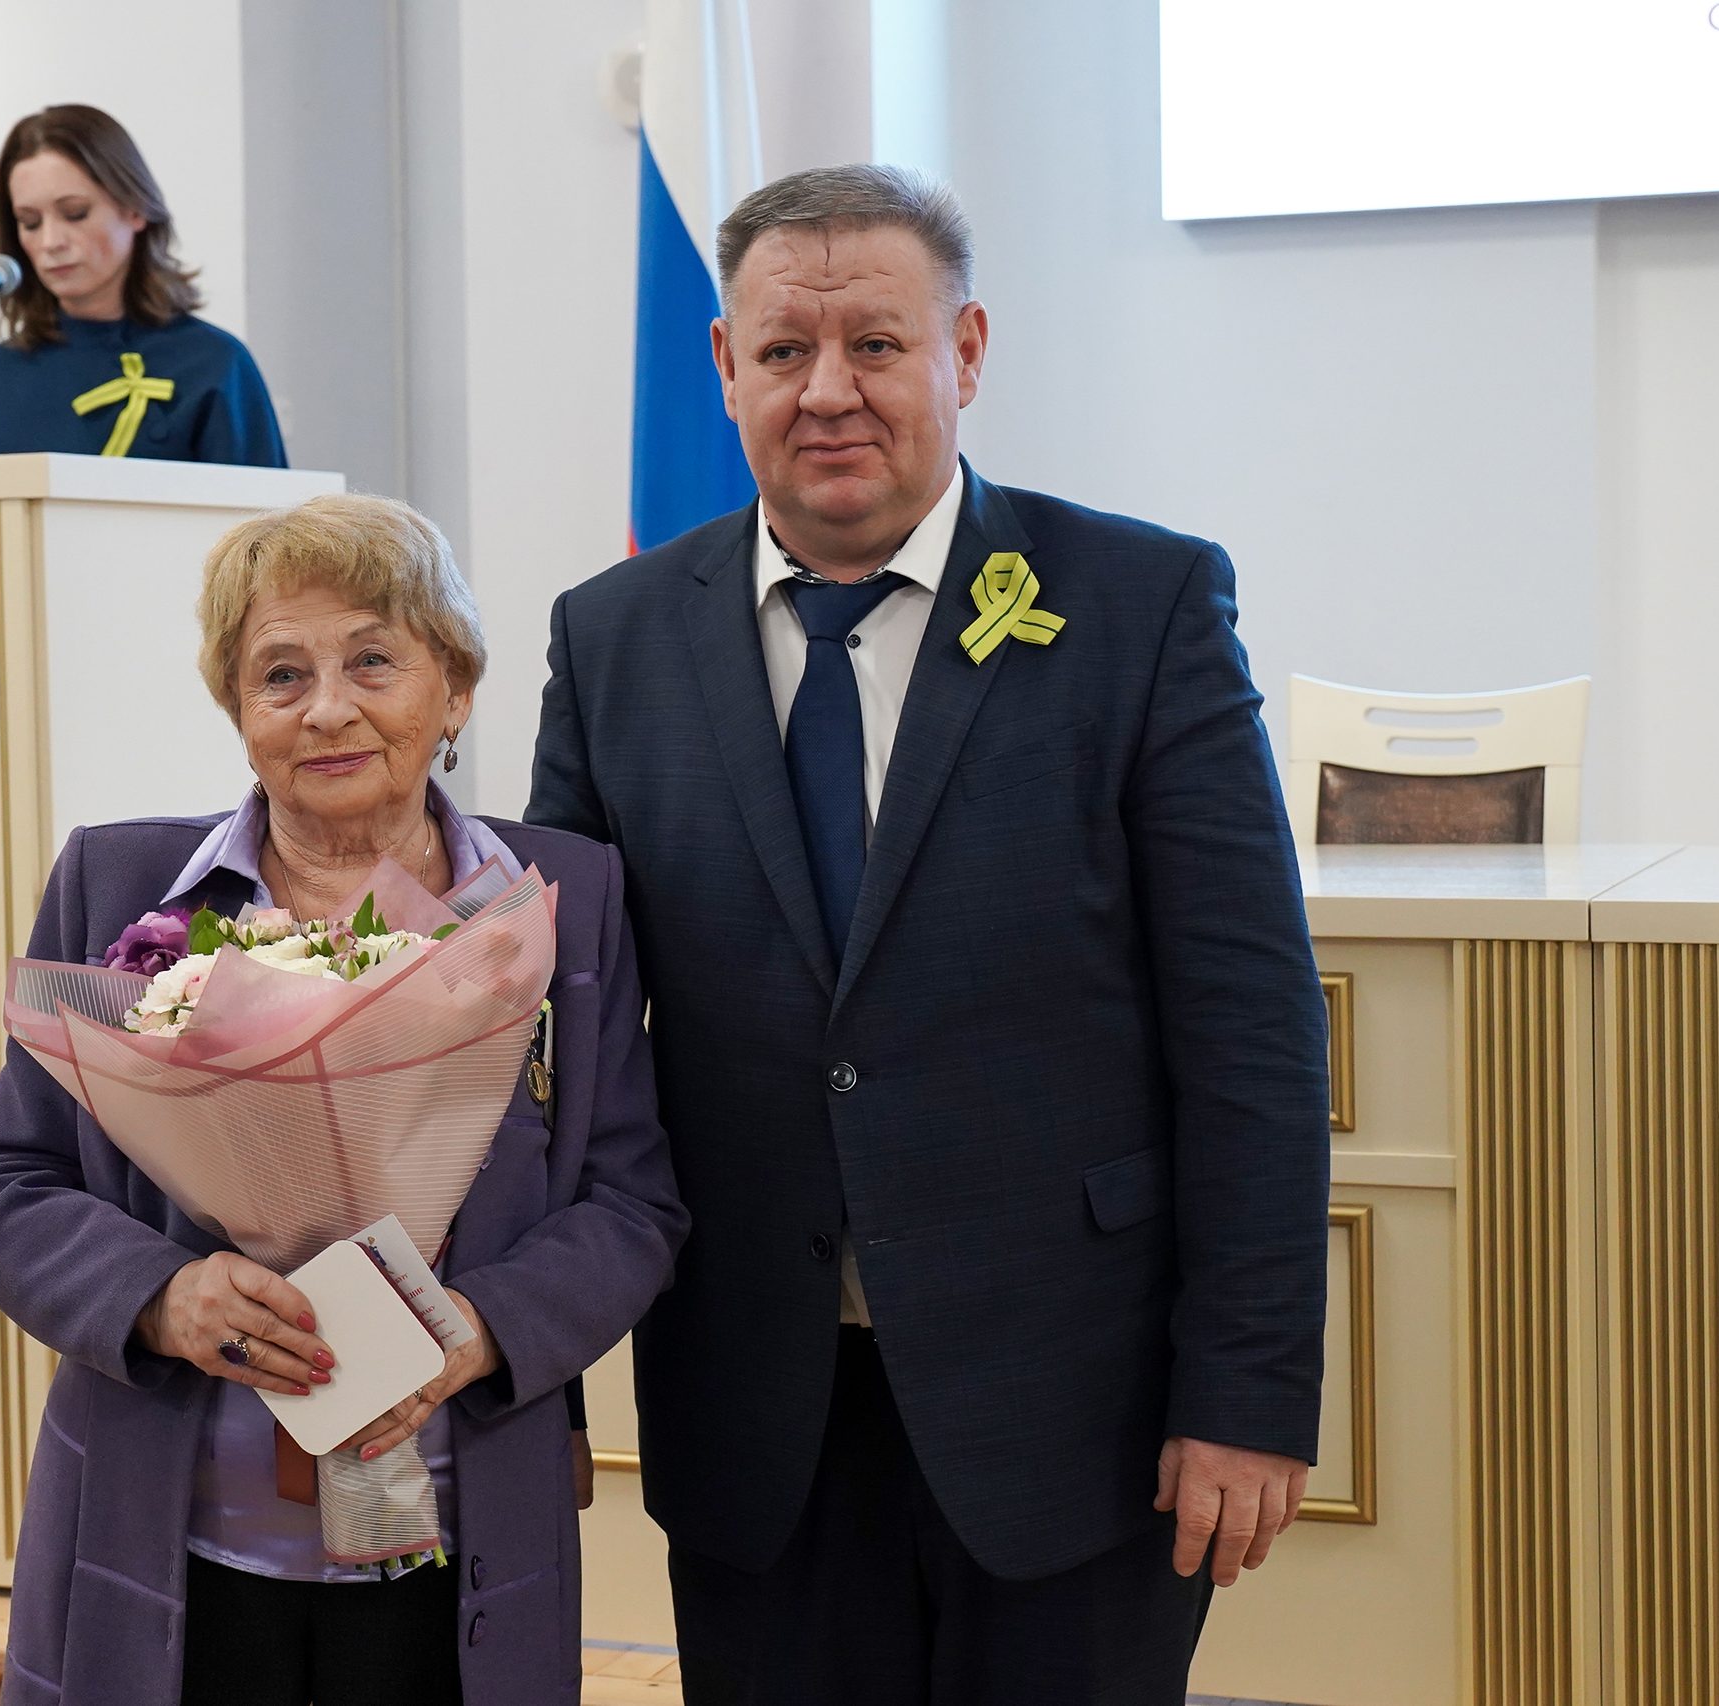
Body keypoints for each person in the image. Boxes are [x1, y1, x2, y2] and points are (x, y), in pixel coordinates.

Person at [528, 165, 1331, 1705]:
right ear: (723, 367)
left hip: (1075, 1413)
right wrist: (537, 1367)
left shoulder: (1138, 605)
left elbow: (1250, 1035)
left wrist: (1245, 1387)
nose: (827, 391)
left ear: (963, 354)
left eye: (876, 346)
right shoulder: (612, 637)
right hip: (754, 1416)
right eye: (782, 352)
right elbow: (549, 1033)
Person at [0, 493, 685, 1706]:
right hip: (169, 1545)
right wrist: (161, 1294)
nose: (327, 707)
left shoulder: (567, 900)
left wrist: (481, 1326)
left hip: (460, 1550)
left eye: (373, 661)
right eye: (278, 672)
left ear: (454, 690)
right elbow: (2, 1187)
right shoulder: (117, 883)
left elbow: (630, 1202)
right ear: (237, 709)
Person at [0, 104, 287, 466]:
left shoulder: (215, 364)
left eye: (75, 213)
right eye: (30, 222)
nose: (51, 241)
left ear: (134, 209)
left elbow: (268, 521)